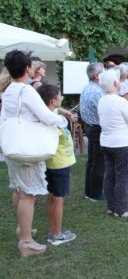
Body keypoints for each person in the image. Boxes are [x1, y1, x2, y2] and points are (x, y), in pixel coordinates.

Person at [1, 50, 69, 257]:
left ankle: (24, 229)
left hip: (12, 145)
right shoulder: (26, 90)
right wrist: (63, 120)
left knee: (19, 189)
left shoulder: (10, 89)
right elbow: (46, 116)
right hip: (27, 148)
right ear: (27, 68)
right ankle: (26, 241)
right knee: (27, 195)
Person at [37, 84, 77, 246]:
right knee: (59, 199)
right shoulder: (56, 121)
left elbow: (53, 111)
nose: (62, 98)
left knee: (51, 196)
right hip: (59, 164)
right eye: (60, 96)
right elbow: (59, 120)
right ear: (54, 101)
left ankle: (53, 230)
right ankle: (57, 234)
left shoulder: (45, 114)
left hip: (50, 163)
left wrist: (63, 111)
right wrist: (65, 117)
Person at [98, 69, 128, 218]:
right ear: (116, 83)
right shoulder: (120, 101)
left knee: (110, 175)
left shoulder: (102, 100)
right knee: (122, 176)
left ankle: (111, 206)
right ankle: (121, 210)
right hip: (122, 143)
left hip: (106, 142)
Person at [80, 62, 106, 202]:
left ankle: (89, 191)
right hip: (96, 128)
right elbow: (104, 110)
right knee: (98, 161)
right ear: (96, 76)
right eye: (103, 71)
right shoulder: (96, 91)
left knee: (92, 160)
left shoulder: (87, 88)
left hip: (90, 126)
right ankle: (95, 193)